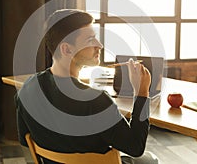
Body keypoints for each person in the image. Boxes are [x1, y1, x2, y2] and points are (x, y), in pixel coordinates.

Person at [15, 9, 159, 164]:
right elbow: (135, 147)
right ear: (67, 49)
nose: (100, 45)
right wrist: (141, 92)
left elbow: (25, 139)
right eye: (91, 40)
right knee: (150, 160)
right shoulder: (96, 100)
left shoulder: (26, 90)